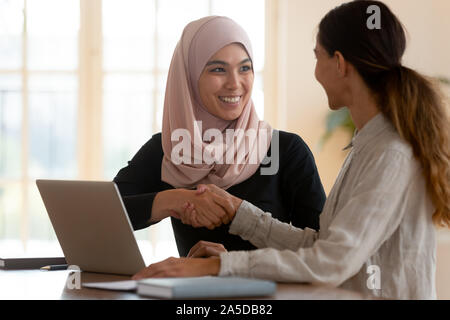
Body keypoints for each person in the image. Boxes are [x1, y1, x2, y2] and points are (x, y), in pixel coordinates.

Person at [132, 1, 450, 300]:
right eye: (218, 69)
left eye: (317, 56)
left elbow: (330, 262)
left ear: (338, 64)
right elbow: (321, 246)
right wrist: (238, 211)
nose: (235, 83)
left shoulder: (389, 153)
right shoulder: (368, 144)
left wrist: (217, 267)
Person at [113, 16, 326, 258]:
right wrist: (175, 199)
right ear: (190, 78)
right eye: (218, 69)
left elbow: (323, 252)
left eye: (245, 68)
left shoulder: (283, 150)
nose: (235, 84)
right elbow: (100, 213)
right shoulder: (170, 148)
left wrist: (231, 265)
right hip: (192, 295)